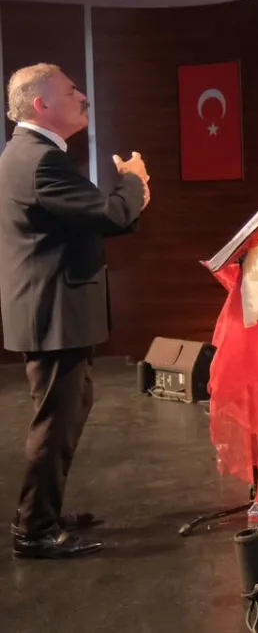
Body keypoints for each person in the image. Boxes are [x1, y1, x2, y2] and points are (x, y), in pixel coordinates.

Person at [1, 63, 150, 559]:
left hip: (52, 310)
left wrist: (130, 199)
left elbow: (98, 219)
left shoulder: (31, 154)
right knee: (55, 422)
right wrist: (132, 181)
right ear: (41, 104)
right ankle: (34, 530)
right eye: (70, 91)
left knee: (67, 412)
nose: (82, 96)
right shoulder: (41, 160)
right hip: (53, 313)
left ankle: (41, 514)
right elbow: (110, 213)